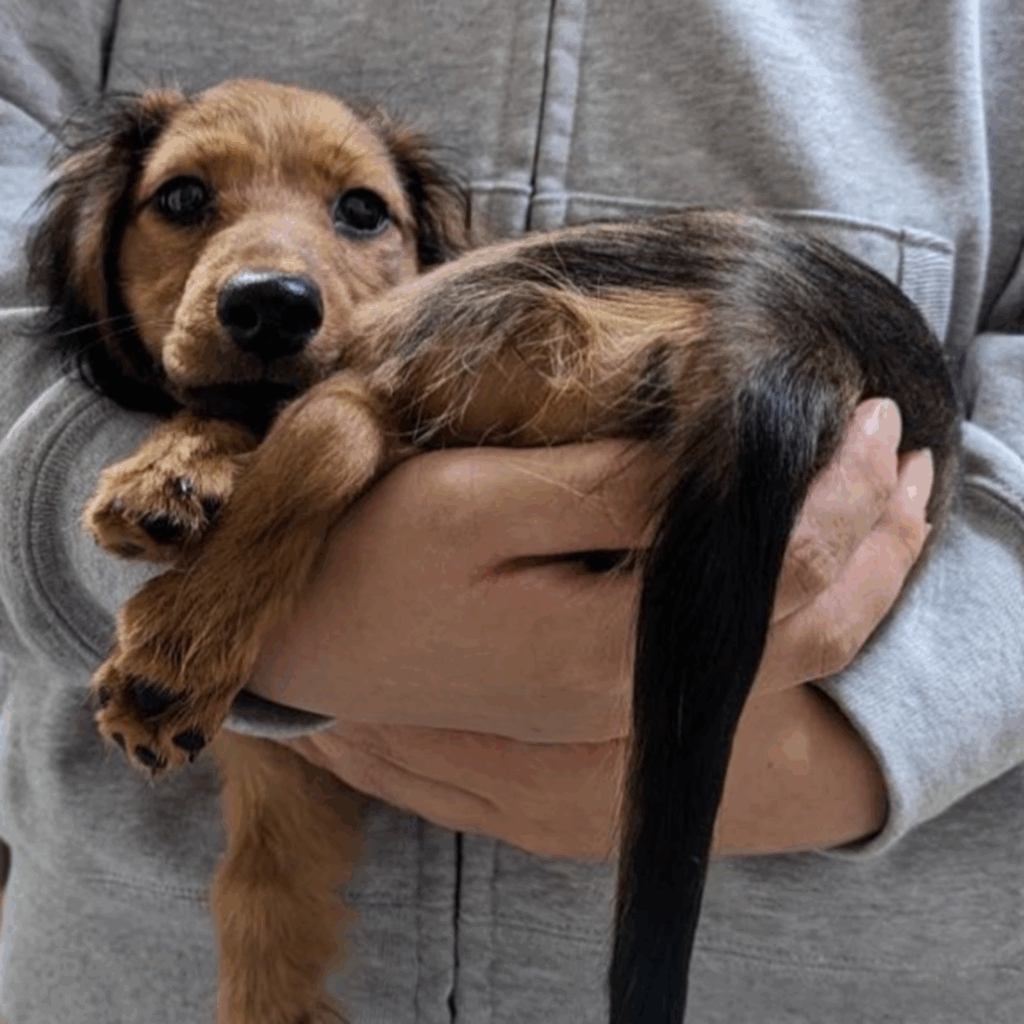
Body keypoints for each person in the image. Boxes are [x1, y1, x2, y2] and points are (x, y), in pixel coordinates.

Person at [0, 1, 1021, 1021]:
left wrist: (877, 733)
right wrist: (83, 503)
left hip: (832, 964)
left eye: (360, 214)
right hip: (145, 974)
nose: (275, 272)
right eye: (184, 197)